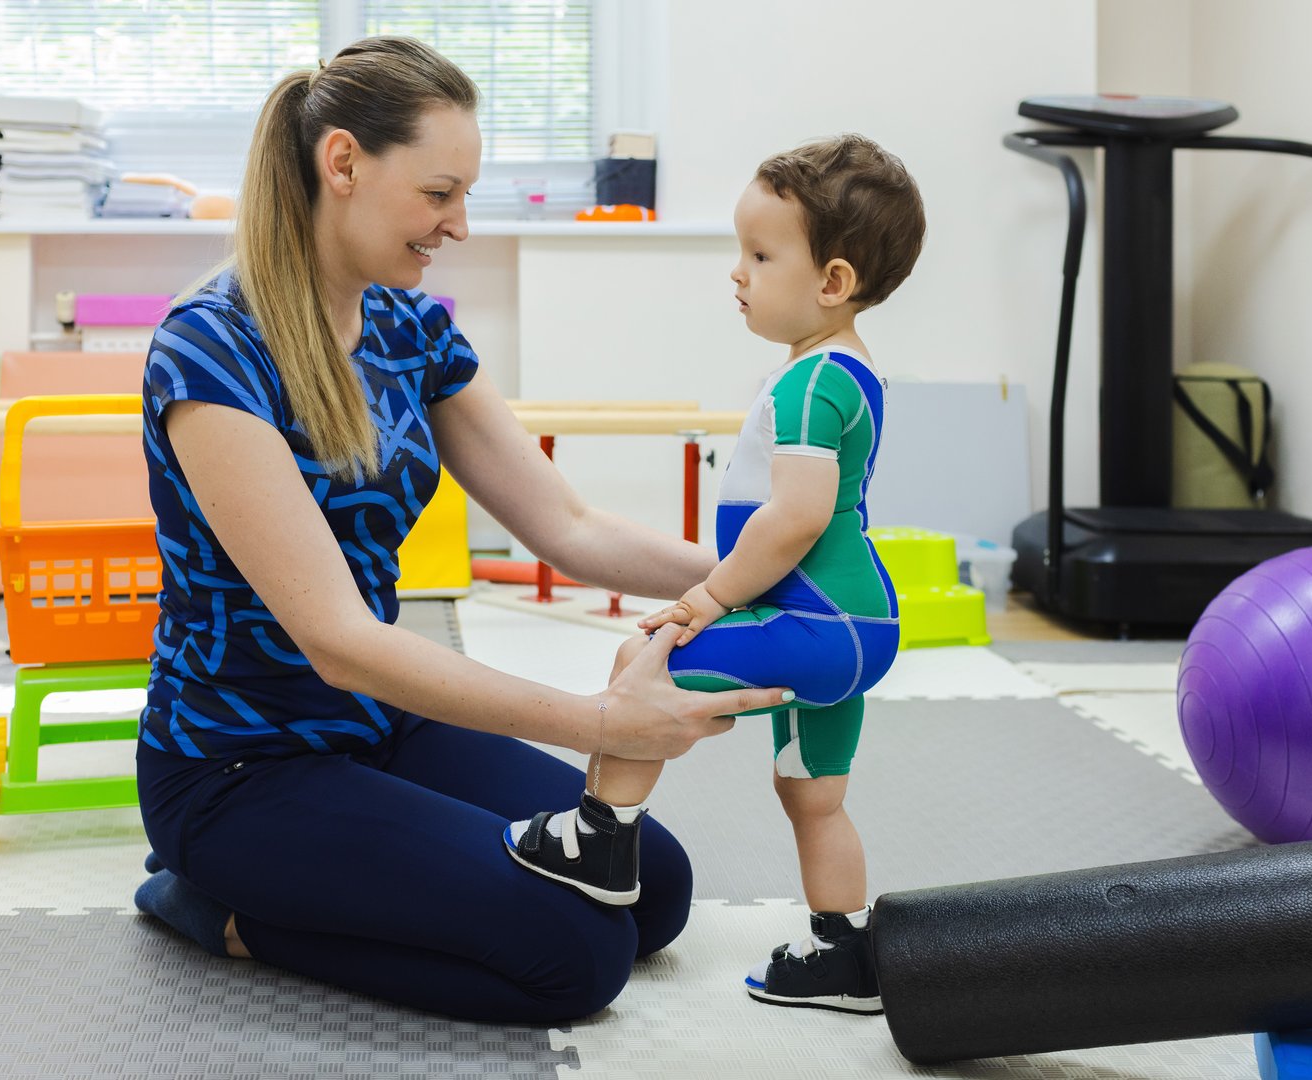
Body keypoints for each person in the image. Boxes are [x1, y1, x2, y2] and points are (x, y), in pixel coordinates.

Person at [130, 35, 792, 1025]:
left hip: (379, 727)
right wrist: (599, 725)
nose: (461, 226)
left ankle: (315, 881)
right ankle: (220, 909)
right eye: (441, 194)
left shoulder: (412, 327)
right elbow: (338, 641)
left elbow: (565, 524)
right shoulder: (211, 349)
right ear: (343, 163)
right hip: (242, 767)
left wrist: (768, 577)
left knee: (652, 890)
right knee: (577, 956)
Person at [505, 135, 928, 1014]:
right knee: (811, 793)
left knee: (644, 661)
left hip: (821, 622)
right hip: (852, 627)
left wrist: (707, 597)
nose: (737, 272)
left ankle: (600, 838)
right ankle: (843, 950)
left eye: (761, 255)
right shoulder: (840, 370)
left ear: (834, 282)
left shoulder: (812, 385)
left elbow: (798, 517)